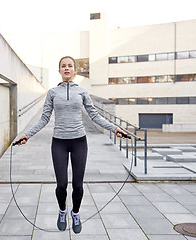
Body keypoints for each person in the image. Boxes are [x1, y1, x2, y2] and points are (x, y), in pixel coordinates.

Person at [15, 56, 126, 234]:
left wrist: (114, 128)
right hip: (59, 142)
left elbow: (94, 116)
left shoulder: (82, 92)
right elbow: (44, 119)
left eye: (70, 66)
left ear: (75, 70)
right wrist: (27, 134)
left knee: (78, 185)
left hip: (79, 142)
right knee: (61, 184)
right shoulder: (52, 93)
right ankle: (62, 211)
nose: (67, 68)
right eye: (63, 66)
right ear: (59, 71)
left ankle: (75, 213)